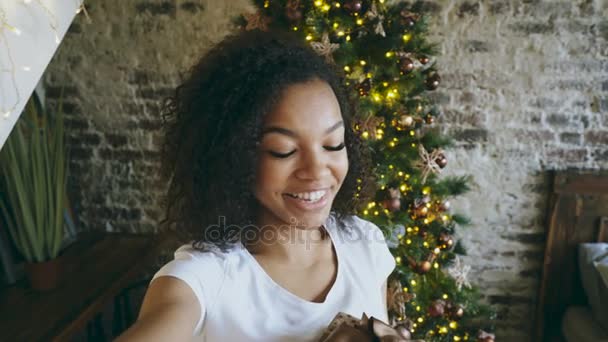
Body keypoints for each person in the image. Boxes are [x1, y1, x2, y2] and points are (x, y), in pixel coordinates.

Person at [117, 28, 395, 342]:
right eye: (283, 151)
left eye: (333, 144)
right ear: (234, 157)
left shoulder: (366, 246)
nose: (317, 170)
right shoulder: (203, 280)